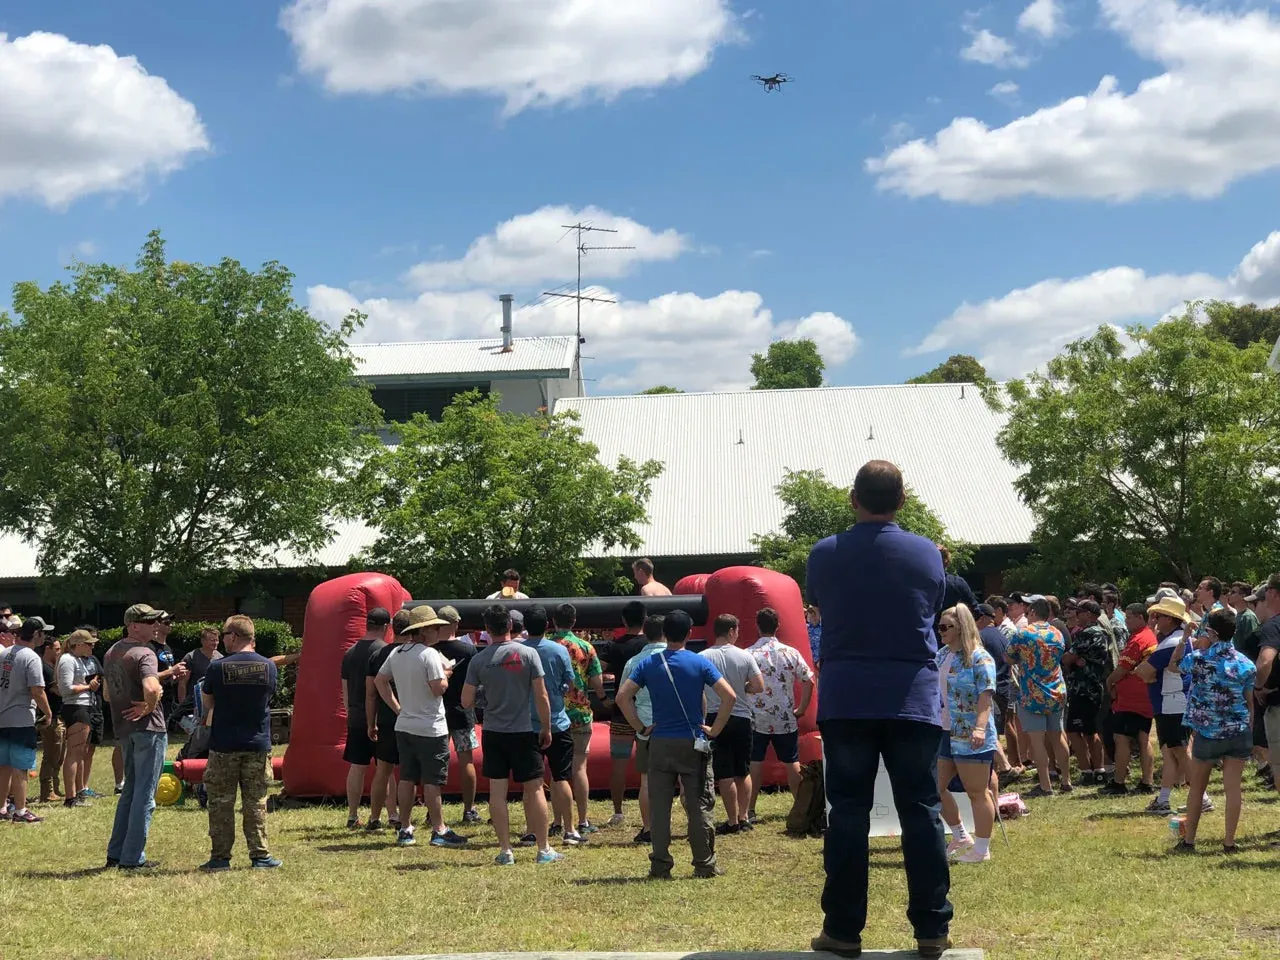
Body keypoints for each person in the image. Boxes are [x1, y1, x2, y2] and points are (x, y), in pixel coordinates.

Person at [804, 460, 953, 960]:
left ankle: (843, 930)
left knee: (848, 812)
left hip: (848, 695)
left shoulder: (824, 553)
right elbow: (931, 607)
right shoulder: (927, 552)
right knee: (922, 810)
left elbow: (820, 602)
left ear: (853, 499)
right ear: (902, 500)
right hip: (912, 694)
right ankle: (932, 928)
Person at [616, 609, 735, 880]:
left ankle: (660, 864)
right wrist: (715, 729)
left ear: (663, 633)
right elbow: (729, 696)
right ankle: (704, 863)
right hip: (692, 741)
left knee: (660, 807)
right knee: (699, 805)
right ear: (689, 633)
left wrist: (640, 727)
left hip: (660, 741)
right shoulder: (698, 662)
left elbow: (622, 697)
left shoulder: (648, 664)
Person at [462, 604, 562, 865]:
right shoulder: (528, 654)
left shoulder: (479, 660)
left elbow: (466, 701)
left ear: (487, 629)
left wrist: (486, 697)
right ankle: (543, 849)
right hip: (524, 730)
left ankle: (506, 850)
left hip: (493, 732)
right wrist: (546, 727)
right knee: (535, 788)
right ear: (510, 625)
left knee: (497, 792)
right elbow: (541, 695)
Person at [374, 605, 468, 849]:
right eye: (435, 627)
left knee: (407, 777)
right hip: (430, 726)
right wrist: (446, 675)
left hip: (405, 725)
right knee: (432, 780)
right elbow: (438, 688)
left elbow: (380, 680)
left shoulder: (397, 653)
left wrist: (397, 708)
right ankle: (439, 829)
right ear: (424, 630)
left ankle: (405, 828)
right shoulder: (429, 655)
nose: (438, 631)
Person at [199, 615, 281, 870]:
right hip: (257, 744)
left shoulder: (217, 668)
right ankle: (260, 855)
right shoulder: (269, 666)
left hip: (224, 744)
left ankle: (220, 858)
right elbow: (269, 697)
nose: (223, 640)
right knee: (256, 801)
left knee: (221, 802)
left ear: (233, 636)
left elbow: (208, 702)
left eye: (224, 635)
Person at [1172, 608, 1254, 854]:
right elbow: (1250, 702)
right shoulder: (1246, 663)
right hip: (1238, 731)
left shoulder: (1199, 659)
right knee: (1233, 789)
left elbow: (1174, 665)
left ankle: (1189, 841)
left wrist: (1184, 638)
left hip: (1208, 732)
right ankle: (1229, 842)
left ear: (1212, 632)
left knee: (1197, 788)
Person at [104, 603, 168, 869]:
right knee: (145, 794)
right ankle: (132, 858)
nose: (156, 625)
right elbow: (152, 688)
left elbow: (107, 694)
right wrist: (148, 707)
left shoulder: (111, 652)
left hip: (124, 729)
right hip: (149, 729)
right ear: (133, 626)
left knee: (130, 791)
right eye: (150, 622)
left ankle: (116, 853)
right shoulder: (145, 652)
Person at [935, 605, 998, 865]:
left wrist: (980, 728)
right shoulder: (941, 655)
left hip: (971, 733)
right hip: (943, 731)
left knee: (976, 791)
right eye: (939, 626)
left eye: (945, 627)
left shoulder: (980, 658)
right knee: (934, 787)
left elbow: (986, 696)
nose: (940, 631)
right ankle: (961, 835)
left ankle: (982, 849)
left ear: (961, 627)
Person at [1135, 595, 1206, 816]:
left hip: (1172, 703)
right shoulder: (1174, 640)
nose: (1154, 619)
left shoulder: (1171, 643)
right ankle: (1164, 799)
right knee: (1170, 753)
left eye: (1159, 616)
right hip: (1169, 703)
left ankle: (1202, 798)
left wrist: (1147, 674)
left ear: (1170, 619)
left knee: (1180, 751)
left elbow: (1142, 671)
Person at [745, 607, 814, 820]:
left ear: (757, 626)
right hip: (785, 716)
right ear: (778, 626)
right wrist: (802, 708)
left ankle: (749, 810)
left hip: (756, 717)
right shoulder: (790, 653)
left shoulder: (748, 654)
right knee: (792, 762)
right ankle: (801, 809)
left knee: (755, 762)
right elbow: (809, 681)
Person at [520, 605, 581, 846]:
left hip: (526, 724)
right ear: (547, 625)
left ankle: (531, 830)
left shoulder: (518, 651)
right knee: (562, 777)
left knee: (531, 782)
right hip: (557, 721)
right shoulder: (559, 650)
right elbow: (570, 682)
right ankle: (570, 830)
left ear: (524, 626)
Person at [701, 613, 763, 834]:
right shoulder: (744, 656)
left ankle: (731, 820)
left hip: (715, 717)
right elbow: (758, 685)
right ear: (731, 631)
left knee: (724, 773)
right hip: (741, 717)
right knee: (743, 770)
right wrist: (742, 688)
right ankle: (744, 816)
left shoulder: (702, 657)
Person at [552, 602, 609, 837]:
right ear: (574, 621)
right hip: (580, 713)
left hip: (555, 714)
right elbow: (596, 681)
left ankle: (558, 821)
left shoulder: (548, 647)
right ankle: (583, 820)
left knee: (557, 770)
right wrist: (603, 698)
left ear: (553, 622)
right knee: (579, 767)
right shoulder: (586, 647)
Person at [1007, 596, 1073, 797]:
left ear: (1033, 612)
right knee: (1058, 736)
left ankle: (1045, 785)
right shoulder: (1057, 633)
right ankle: (1066, 780)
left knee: (1037, 741)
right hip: (1056, 690)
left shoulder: (1023, 633)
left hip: (1032, 693)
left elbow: (1008, 657)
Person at [340, 608, 391, 829]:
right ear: (386, 626)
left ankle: (352, 815)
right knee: (386, 769)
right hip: (381, 717)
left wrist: (350, 713)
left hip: (356, 717)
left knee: (357, 767)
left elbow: (345, 690)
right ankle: (390, 814)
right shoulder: (385, 651)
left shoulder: (349, 653)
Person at [0, 618, 54, 824]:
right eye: (43, 633)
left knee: (3, 765)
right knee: (21, 767)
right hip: (21, 719)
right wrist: (48, 713)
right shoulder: (31, 657)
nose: (45, 637)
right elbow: (37, 690)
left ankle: (2, 807)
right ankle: (20, 811)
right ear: (36, 634)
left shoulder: (4, 653)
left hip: (2, 718)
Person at [1100, 603, 1157, 795]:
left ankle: (1119, 782)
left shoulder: (1139, 639)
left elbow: (1122, 669)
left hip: (1132, 699)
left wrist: (1109, 682)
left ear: (1140, 618)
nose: (1126, 621)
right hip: (1144, 696)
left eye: (1129, 617)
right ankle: (1147, 781)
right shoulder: (1149, 636)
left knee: (1121, 738)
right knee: (1143, 737)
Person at [620, 615, 668, 844]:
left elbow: (623, 697)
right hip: (680, 728)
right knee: (686, 780)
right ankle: (694, 826)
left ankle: (649, 828)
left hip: (648, 728)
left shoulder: (634, 662)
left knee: (647, 781)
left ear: (645, 634)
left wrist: (639, 726)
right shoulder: (682, 657)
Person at [602, 600, 649, 827]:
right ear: (645, 619)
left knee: (619, 764)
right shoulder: (648, 646)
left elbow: (597, 670)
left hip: (621, 711)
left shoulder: (614, 647)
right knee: (650, 766)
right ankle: (651, 810)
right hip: (646, 712)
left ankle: (618, 811)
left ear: (623, 621)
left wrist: (603, 698)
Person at [435, 605, 481, 825]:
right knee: (466, 760)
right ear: (456, 623)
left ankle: (433, 810)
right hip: (463, 711)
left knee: (436, 761)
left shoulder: (429, 650)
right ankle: (469, 809)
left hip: (436, 712)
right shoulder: (468, 650)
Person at [365, 609, 408, 831]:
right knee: (409, 772)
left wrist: (370, 722)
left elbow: (371, 694)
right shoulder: (415, 653)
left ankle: (374, 818)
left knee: (383, 771)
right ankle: (405, 820)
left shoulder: (378, 655)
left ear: (392, 628)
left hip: (386, 719)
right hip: (411, 718)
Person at [1063, 600, 1111, 785]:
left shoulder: (1088, 633)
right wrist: (1076, 659)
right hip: (1094, 688)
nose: (1076, 615)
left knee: (1074, 730)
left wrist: (1074, 659)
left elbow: (1067, 658)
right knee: (1091, 730)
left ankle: (1086, 770)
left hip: (1083, 689)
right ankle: (1099, 770)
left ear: (1089, 614)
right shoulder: (1102, 632)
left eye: (1079, 612)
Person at [57, 631, 99, 808]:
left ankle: (75, 794)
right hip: (76, 708)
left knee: (79, 753)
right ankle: (70, 797)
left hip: (83, 707)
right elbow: (65, 688)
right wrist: (88, 687)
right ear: (79, 644)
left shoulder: (79, 660)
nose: (92, 647)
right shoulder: (68, 659)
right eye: (89, 644)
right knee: (73, 754)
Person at [37, 632, 66, 802]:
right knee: (51, 754)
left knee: (59, 754)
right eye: (57, 649)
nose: (59, 652)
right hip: (51, 718)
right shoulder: (44, 668)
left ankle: (55, 787)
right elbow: (56, 690)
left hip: (59, 716)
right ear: (47, 649)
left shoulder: (53, 667)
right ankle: (46, 791)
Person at [178, 627, 223, 707]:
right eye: (212, 640)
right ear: (203, 641)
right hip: (193, 704)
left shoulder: (220, 658)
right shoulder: (191, 657)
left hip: (213, 704)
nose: (215, 643)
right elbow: (182, 683)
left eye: (217, 640)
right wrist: (182, 705)